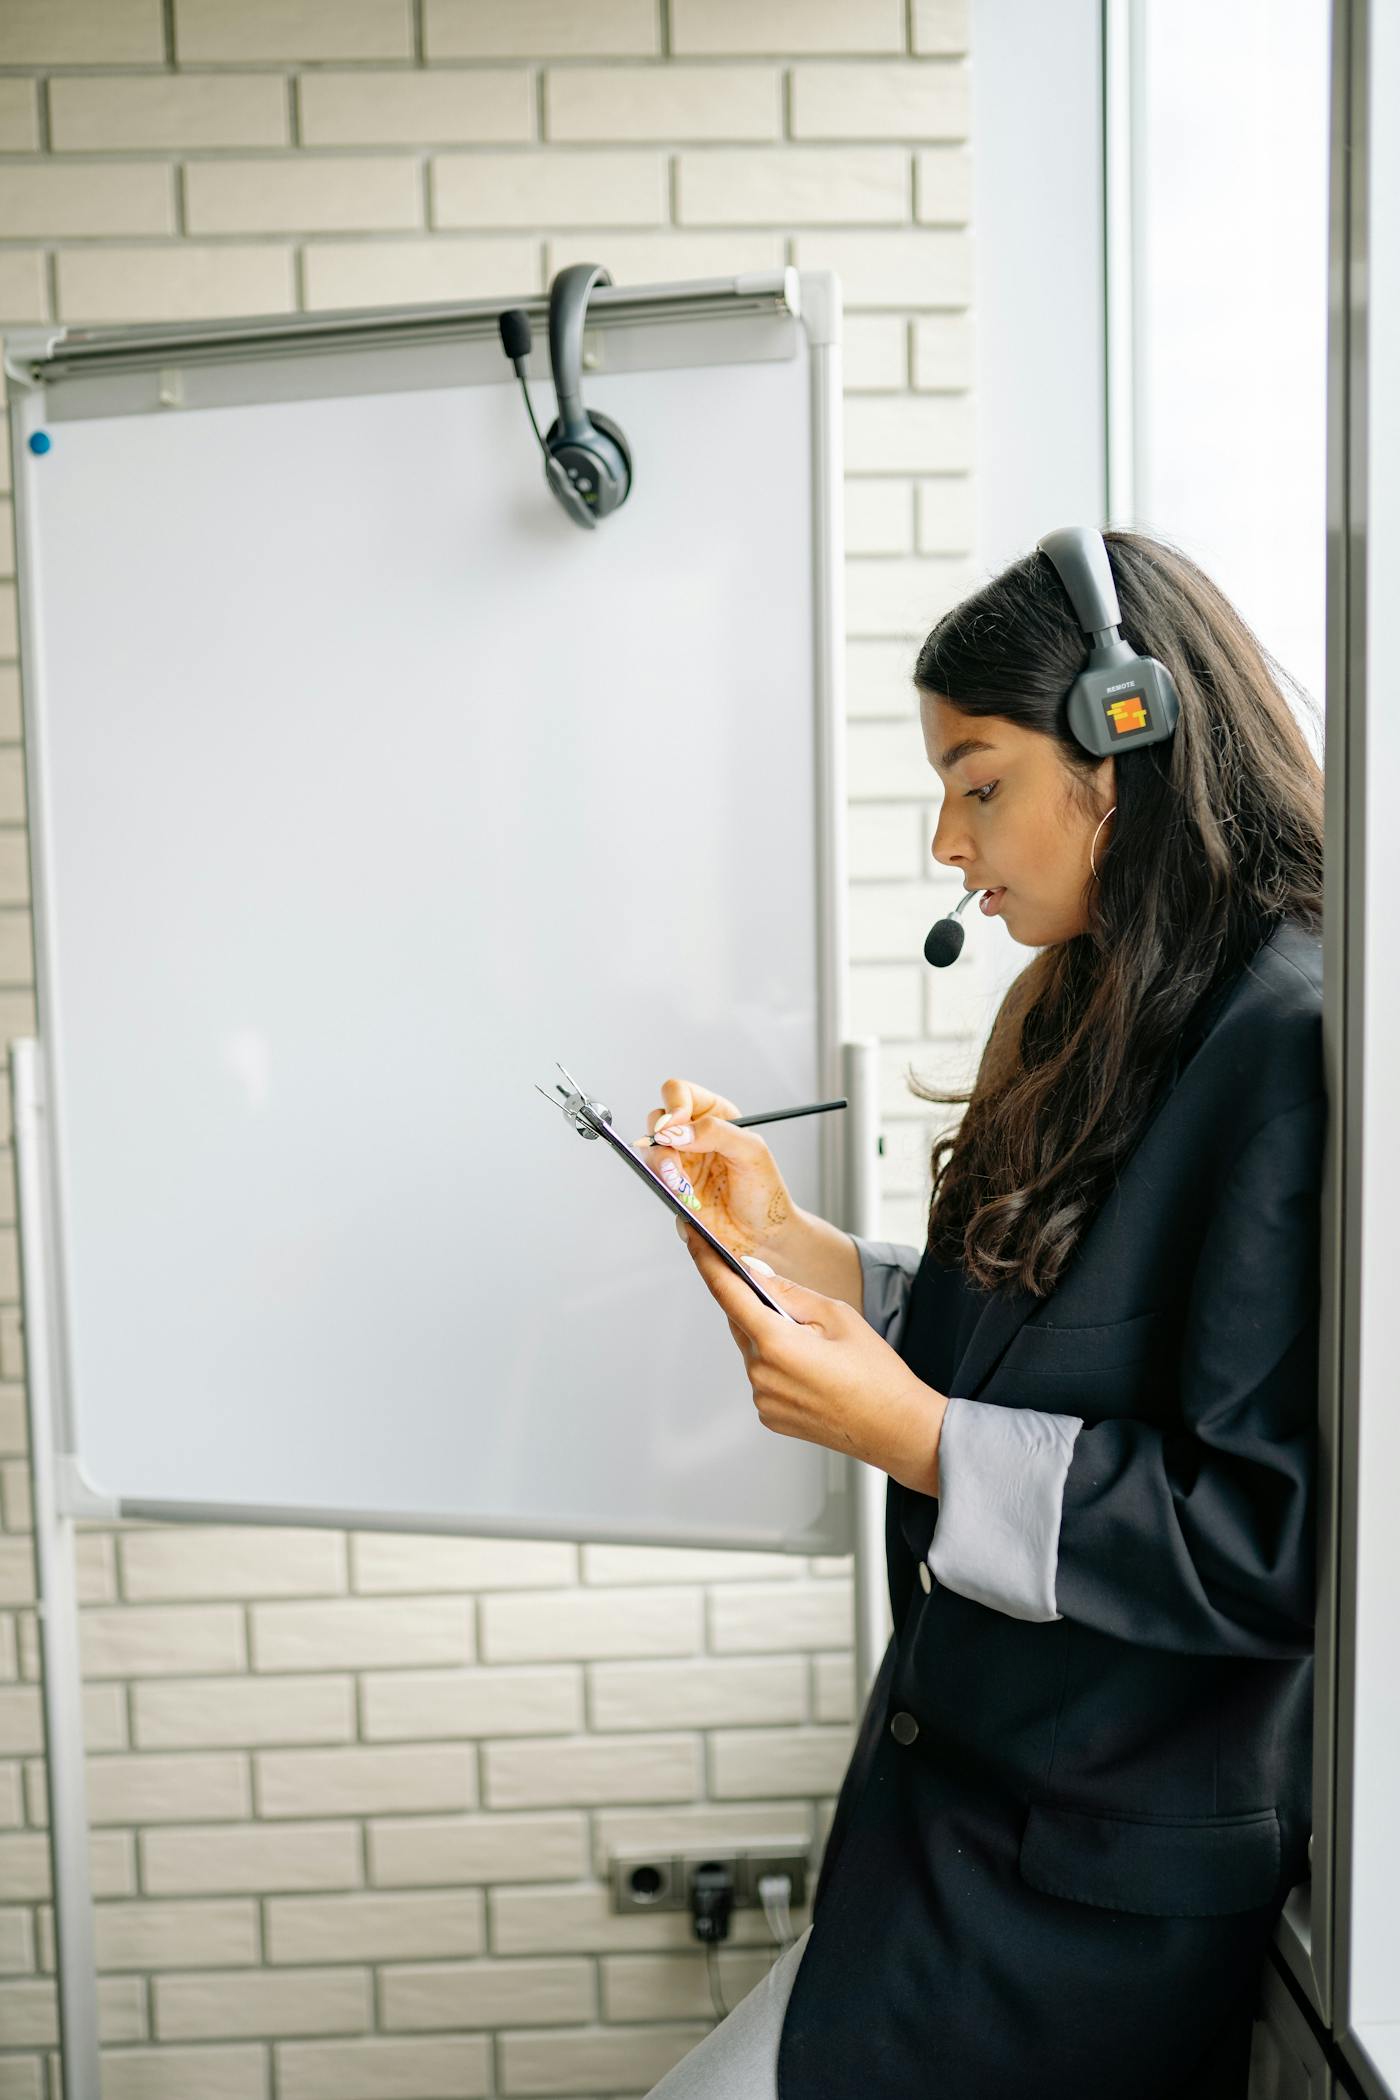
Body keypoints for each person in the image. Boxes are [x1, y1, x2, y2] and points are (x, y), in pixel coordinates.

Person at [637, 527, 1326, 2100]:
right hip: (956, 1829)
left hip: (1087, 1902)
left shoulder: (1285, 1042)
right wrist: (803, 1254)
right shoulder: (1092, 1000)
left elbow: (1259, 1540)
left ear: (1126, 737)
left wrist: (922, 1439)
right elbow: (1043, 1334)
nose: (950, 843)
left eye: (979, 778)